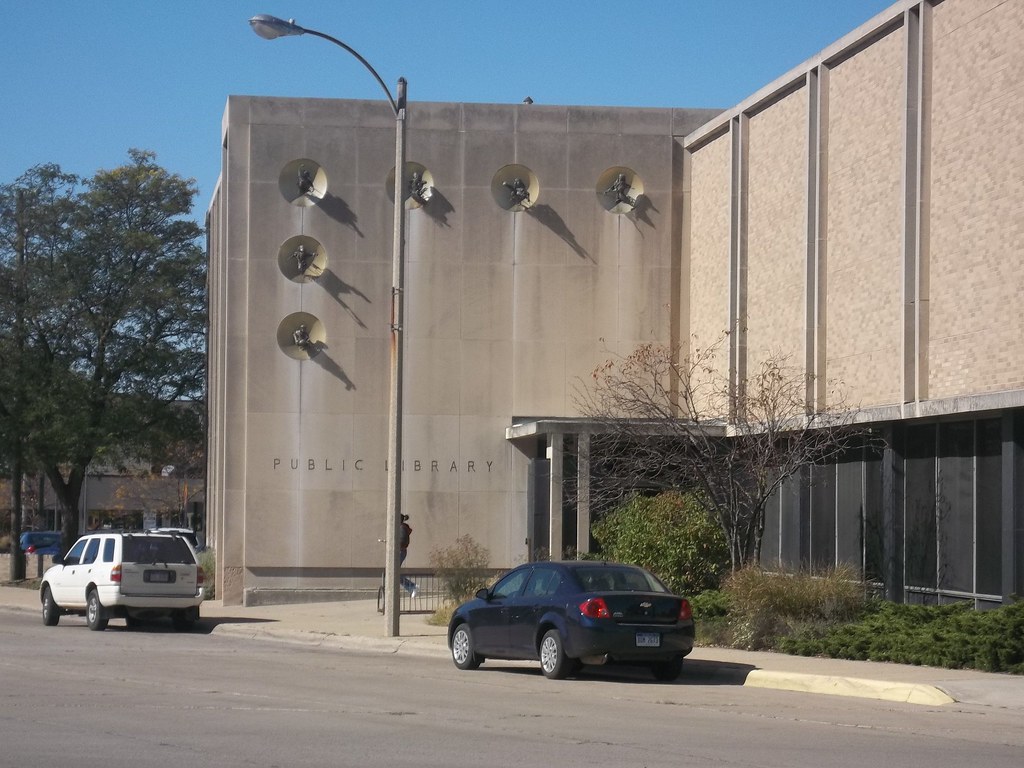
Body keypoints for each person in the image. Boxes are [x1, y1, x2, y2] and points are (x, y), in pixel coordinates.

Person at [399, 514, 418, 598]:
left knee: (394, 573)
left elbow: (402, 540)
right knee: (394, 573)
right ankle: (411, 587)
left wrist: (395, 544)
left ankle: (412, 586)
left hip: (400, 551)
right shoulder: (402, 527)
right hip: (400, 551)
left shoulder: (401, 528)